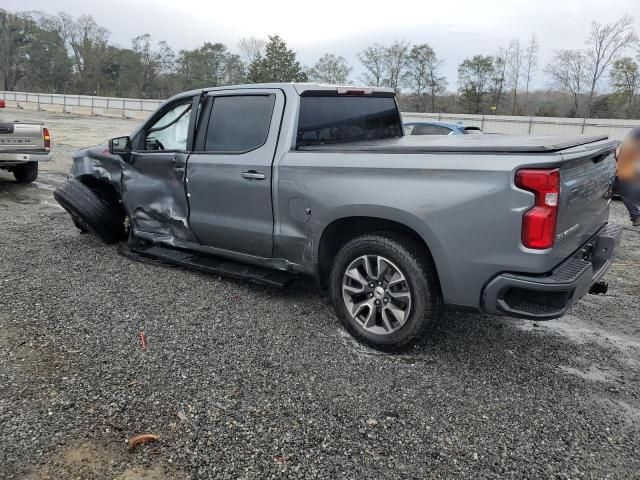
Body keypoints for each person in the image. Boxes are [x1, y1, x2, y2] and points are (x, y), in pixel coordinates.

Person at [615, 128, 640, 227]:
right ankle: (635, 216)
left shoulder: (632, 144)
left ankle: (636, 216)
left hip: (627, 174)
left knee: (621, 186)